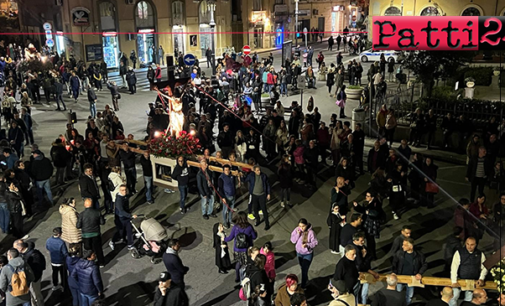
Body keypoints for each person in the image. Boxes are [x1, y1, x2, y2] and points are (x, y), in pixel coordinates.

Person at [449, 237, 487, 306]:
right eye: (467, 244)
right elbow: (454, 267)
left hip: (472, 281)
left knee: (469, 299)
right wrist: (454, 281)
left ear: (475, 245)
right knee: (454, 296)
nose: (469, 246)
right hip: (460, 280)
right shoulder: (459, 253)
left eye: (472, 244)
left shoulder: (480, 254)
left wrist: (481, 278)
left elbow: (484, 267)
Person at [392, 238, 428, 305]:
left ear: (411, 246)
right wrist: (394, 272)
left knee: (409, 296)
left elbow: (425, 264)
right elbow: (394, 263)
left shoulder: (419, 255)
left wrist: (420, 273)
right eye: (403, 244)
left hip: (411, 279)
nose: (402, 246)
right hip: (400, 278)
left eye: (405, 245)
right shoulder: (399, 253)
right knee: (398, 294)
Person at [224, 211, 257, 282]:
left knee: (238, 263)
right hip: (246, 249)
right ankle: (245, 277)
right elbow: (254, 237)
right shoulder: (249, 227)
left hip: (237, 249)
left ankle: (237, 277)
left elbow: (230, 238)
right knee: (245, 264)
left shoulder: (235, 227)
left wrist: (223, 238)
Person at [13, 240, 46, 306]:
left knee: (36, 295)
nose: (14, 251)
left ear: (20, 248)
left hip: (34, 279)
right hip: (28, 279)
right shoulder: (22, 254)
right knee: (31, 296)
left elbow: (37, 269)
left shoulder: (34, 255)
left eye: (15, 249)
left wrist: (32, 278)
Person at [76, 198, 105, 267]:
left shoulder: (82, 214)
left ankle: (90, 263)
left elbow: (78, 226)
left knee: (88, 250)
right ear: (92, 204)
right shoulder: (97, 212)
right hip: (96, 234)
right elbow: (102, 222)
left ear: (84, 205)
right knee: (98, 249)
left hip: (86, 235)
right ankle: (101, 263)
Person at [290, 218, 318, 289]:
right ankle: (306, 280)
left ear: (306, 225)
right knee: (302, 268)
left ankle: (303, 286)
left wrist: (307, 245)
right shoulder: (297, 230)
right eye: (300, 226)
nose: (301, 228)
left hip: (307, 254)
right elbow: (293, 241)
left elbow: (315, 242)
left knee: (304, 270)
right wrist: (297, 234)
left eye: (303, 226)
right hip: (299, 253)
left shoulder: (311, 232)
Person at [110, 185, 137, 250]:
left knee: (129, 231)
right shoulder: (119, 200)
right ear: (119, 190)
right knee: (120, 232)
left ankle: (130, 244)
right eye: (122, 190)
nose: (124, 191)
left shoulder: (125, 196)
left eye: (125, 190)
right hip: (120, 218)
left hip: (125, 217)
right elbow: (121, 211)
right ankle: (112, 241)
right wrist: (130, 216)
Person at [244, 166, 271, 230]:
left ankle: (267, 224)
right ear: (254, 171)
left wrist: (268, 193)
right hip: (254, 195)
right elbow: (245, 179)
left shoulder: (264, 176)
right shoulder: (251, 176)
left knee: (264, 209)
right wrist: (241, 175)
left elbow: (267, 185)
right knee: (255, 209)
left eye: (259, 170)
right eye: (257, 170)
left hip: (262, 195)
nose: (259, 172)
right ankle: (258, 220)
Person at [45, 227, 68, 291]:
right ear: (59, 234)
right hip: (61, 261)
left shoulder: (48, 240)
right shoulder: (61, 242)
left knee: (54, 273)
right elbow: (65, 252)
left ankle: (55, 285)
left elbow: (47, 248)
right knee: (63, 274)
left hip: (53, 260)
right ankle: (64, 286)